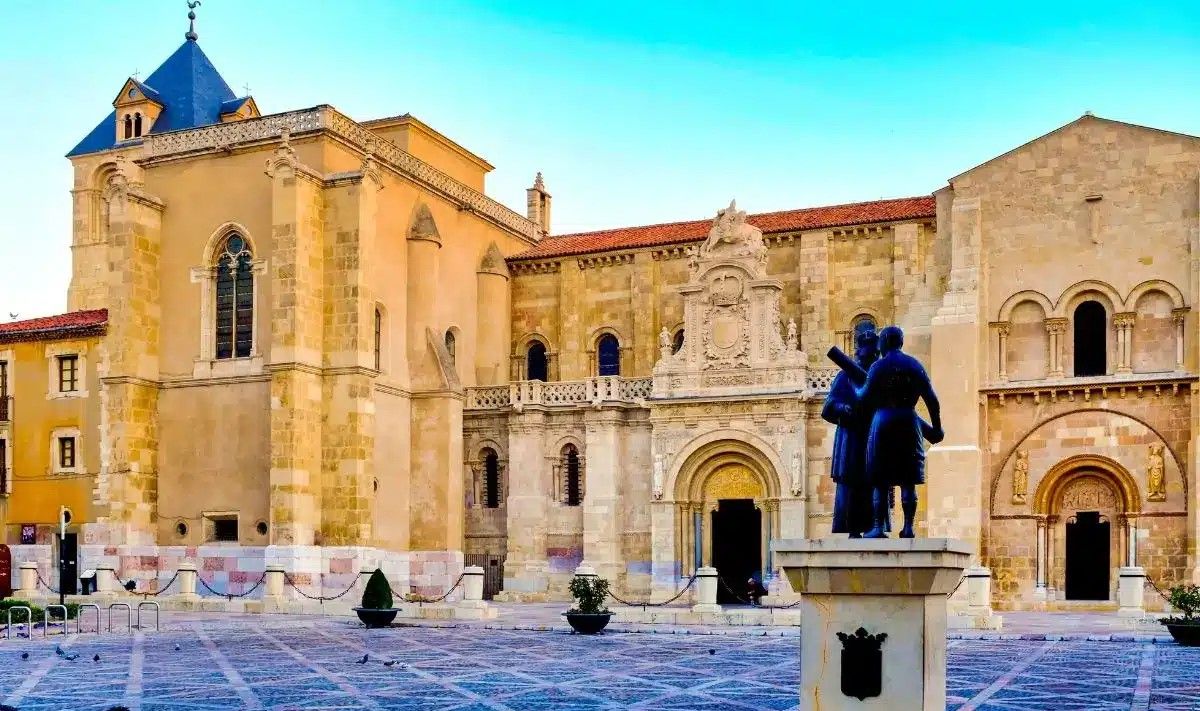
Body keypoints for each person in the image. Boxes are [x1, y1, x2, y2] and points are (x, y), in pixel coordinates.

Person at [854, 326, 944, 538]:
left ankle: (878, 527)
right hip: (908, 421)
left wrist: (857, 388)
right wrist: (937, 427)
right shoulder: (914, 365)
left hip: (883, 421)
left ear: (885, 342)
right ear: (900, 342)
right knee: (908, 479)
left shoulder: (878, 367)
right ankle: (908, 527)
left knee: (879, 479)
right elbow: (932, 400)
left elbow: (863, 397)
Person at [822, 322, 879, 537]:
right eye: (868, 353)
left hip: (873, 436)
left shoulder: (878, 377)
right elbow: (828, 407)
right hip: (852, 436)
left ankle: (875, 526)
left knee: (874, 481)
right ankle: (852, 529)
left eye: (874, 353)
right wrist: (843, 408)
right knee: (852, 482)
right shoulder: (844, 376)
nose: (872, 356)